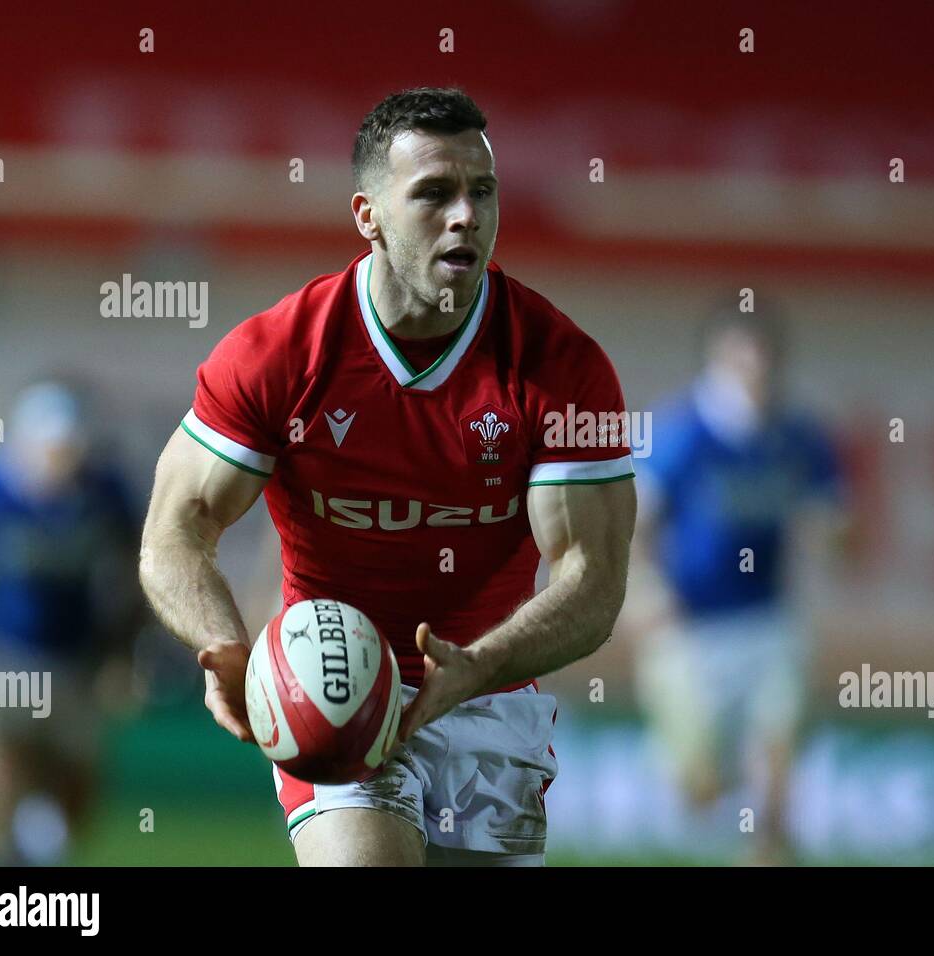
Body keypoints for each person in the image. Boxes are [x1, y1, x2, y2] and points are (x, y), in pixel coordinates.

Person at [139, 87, 636, 867]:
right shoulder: (278, 355)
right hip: (330, 686)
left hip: (488, 693)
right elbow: (175, 528)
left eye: (482, 191)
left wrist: (484, 666)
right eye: (435, 193)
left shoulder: (563, 369)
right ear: (368, 215)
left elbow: (594, 578)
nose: (466, 214)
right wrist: (224, 646)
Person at [626, 305, 846, 864]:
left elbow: (835, 523)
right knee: (700, 789)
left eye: (763, 358)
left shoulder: (798, 439)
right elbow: (635, 526)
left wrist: (833, 534)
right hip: (694, 630)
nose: (754, 372)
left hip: (768, 619)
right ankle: (712, 790)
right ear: (715, 362)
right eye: (741, 358)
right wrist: (645, 592)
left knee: (777, 754)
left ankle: (769, 846)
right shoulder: (682, 436)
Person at [0, 380, 142, 864]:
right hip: (9, 656)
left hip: (78, 661)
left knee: (75, 780)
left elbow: (140, 570)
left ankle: (42, 856)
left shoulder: (105, 493)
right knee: (7, 771)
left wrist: (125, 654)